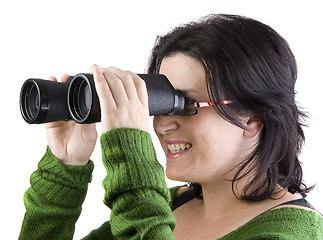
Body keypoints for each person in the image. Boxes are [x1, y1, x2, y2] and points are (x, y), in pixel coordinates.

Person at [19, 14, 322, 239]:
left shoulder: (292, 234)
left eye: (187, 105)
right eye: (160, 104)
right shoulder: (165, 206)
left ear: (253, 118)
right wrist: (65, 170)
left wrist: (131, 156)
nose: (162, 124)